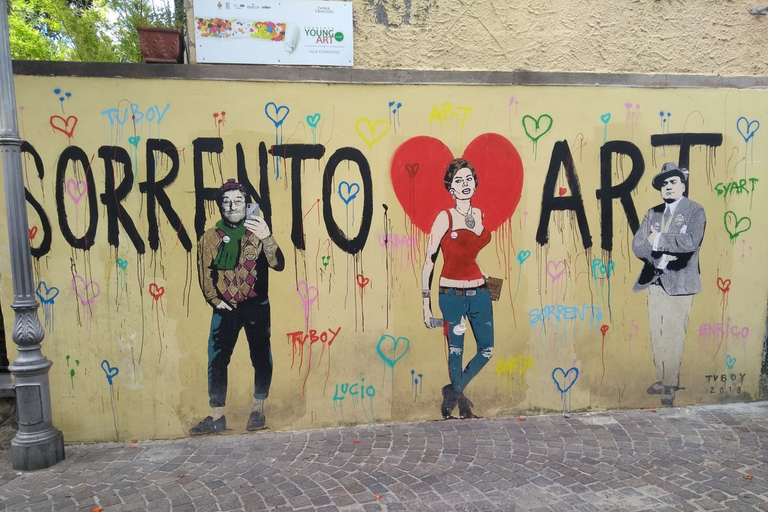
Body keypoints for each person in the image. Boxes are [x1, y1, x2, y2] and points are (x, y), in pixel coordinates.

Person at [190, 179, 285, 435]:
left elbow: (278, 264)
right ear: (220, 206)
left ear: (246, 204)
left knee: (261, 356)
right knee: (218, 359)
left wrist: (267, 237)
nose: (232, 206)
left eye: (238, 201)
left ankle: (258, 408)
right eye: (227, 201)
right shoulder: (210, 237)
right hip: (225, 308)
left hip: (256, 306)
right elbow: (204, 272)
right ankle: (216, 415)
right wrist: (215, 300)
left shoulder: (257, 231)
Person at [422, 158, 494, 419]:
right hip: (452, 295)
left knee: (487, 349)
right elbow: (429, 260)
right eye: (458, 181)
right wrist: (425, 305)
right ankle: (461, 403)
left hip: (480, 293)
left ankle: (453, 392)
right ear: (450, 188)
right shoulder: (445, 218)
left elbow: (468, 255)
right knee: (456, 350)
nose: (464, 185)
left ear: (475, 183)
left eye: (468, 179)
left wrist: (484, 275)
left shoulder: (479, 214)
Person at [631, 162, 706, 407]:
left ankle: (670, 384)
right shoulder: (652, 213)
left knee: (674, 334)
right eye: (663, 184)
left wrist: (659, 238)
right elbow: (638, 245)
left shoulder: (695, 211)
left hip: (680, 282)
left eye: (672, 182)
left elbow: (690, 242)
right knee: (657, 333)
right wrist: (660, 255)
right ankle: (662, 377)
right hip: (655, 279)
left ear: (683, 185)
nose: (668, 187)